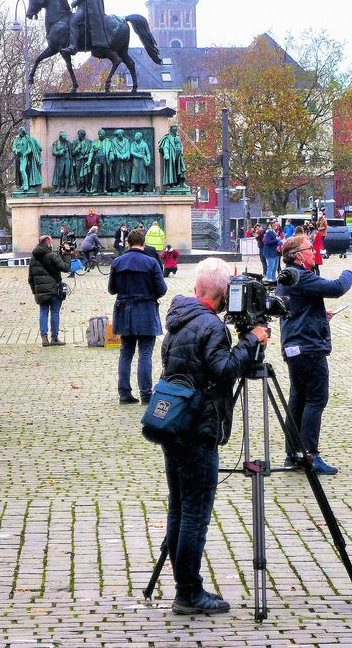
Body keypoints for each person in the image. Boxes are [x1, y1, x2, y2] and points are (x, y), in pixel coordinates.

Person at [159, 257, 269, 614]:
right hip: (198, 427)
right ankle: (188, 592)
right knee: (195, 513)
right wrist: (251, 340)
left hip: (175, 423)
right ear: (224, 293)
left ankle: (183, 586)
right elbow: (224, 371)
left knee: (180, 507)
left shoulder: (180, 319)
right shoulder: (210, 326)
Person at [277, 236, 352, 474]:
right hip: (308, 347)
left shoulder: (289, 277)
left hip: (295, 345)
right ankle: (310, 454)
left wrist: (321, 316)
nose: (315, 252)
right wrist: (349, 272)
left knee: (298, 399)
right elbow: (336, 288)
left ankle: (294, 454)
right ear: (298, 255)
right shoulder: (300, 275)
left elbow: (298, 309)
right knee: (315, 398)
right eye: (310, 249)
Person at [108, 229, 168, 405]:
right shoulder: (151, 263)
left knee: (126, 353)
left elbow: (112, 289)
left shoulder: (117, 262)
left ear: (128, 243)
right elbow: (162, 289)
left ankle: (124, 393)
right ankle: (146, 394)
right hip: (146, 310)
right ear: (143, 243)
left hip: (124, 310)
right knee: (145, 354)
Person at [28, 234, 72, 347]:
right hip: (54, 290)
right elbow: (66, 267)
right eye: (51, 242)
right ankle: (54, 338)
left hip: (40, 291)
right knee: (55, 313)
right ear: (47, 242)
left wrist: (34, 292)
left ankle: (44, 338)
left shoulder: (33, 258)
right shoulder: (52, 256)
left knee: (43, 312)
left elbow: (30, 278)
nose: (52, 244)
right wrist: (66, 253)